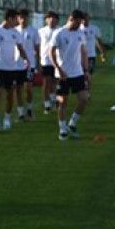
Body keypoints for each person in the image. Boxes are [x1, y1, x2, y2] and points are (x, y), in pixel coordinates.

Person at [50, 10, 90, 140]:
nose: (80, 25)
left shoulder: (80, 33)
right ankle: (62, 129)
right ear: (71, 19)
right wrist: (58, 68)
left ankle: (72, 123)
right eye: (78, 22)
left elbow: (83, 52)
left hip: (77, 73)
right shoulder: (59, 33)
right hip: (63, 74)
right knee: (63, 102)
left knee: (84, 99)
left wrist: (86, 70)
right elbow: (51, 52)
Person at [15, 9, 40, 121]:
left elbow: (37, 48)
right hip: (15, 65)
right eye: (21, 17)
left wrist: (38, 63)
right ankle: (21, 113)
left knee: (28, 88)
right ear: (17, 18)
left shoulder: (34, 31)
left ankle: (29, 108)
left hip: (29, 65)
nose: (23, 19)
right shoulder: (14, 31)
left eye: (25, 17)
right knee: (17, 89)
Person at [38, 12, 61, 113]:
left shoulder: (60, 31)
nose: (51, 20)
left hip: (57, 60)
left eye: (54, 18)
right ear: (46, 20)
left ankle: (53, 100)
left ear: (57, 20)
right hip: (45, 60)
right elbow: (38, 46)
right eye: (49, 18)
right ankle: (47, 104)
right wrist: (38, 60)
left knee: (55, 82)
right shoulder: (41, 31)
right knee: (46, 82)